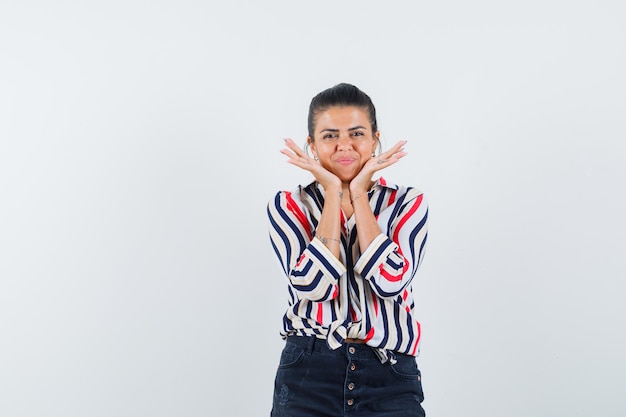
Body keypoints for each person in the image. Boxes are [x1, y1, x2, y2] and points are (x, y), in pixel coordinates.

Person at [267, 83, 429, 417]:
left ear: (375, 139)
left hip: (389, 374)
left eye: (357, 133)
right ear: (311, 145)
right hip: (307, 373)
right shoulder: (288, 206)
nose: (345, 146)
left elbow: (389, 281)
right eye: (329, 136)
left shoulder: (406, 204)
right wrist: (330, 194)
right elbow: (314, 286)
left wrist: (358, 195)